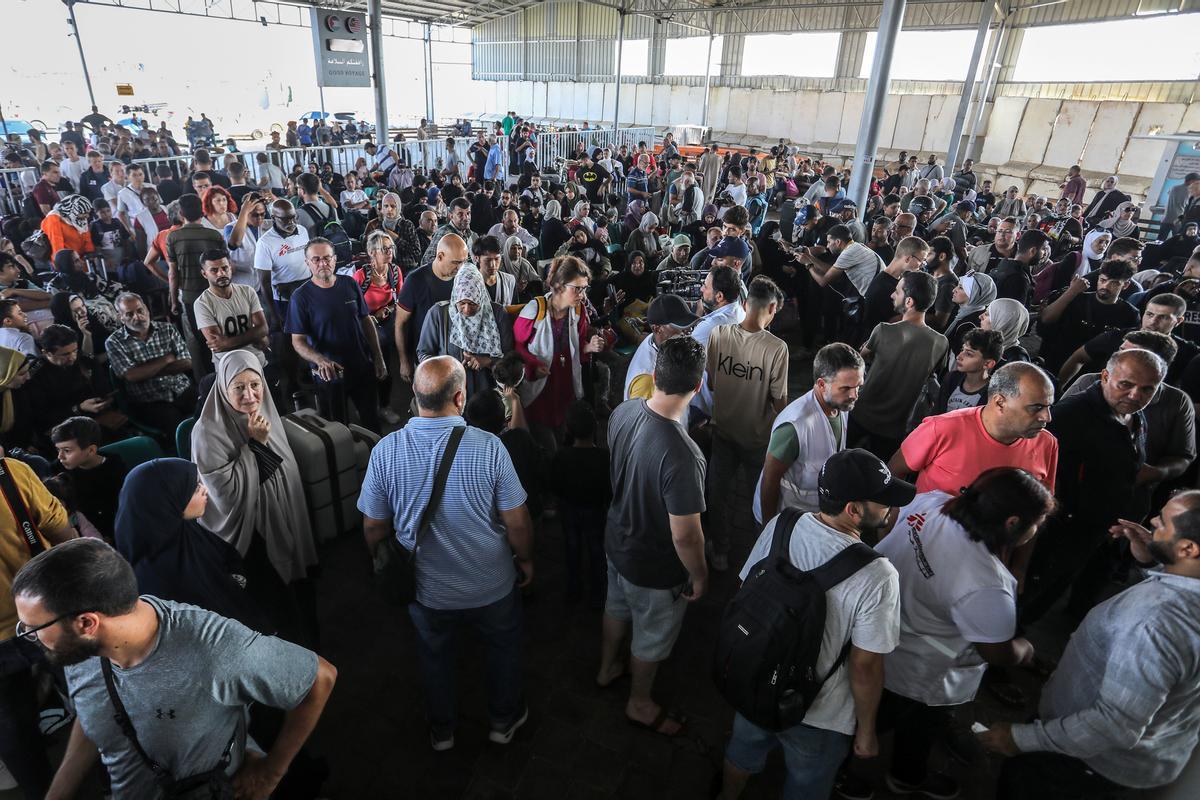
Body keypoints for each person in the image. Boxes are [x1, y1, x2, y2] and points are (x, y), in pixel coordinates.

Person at [12, 538, 336, 800]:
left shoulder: (213, 648)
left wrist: (271, 772)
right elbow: (97, 708)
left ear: (87, 623)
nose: (29, 637)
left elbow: (320, 677)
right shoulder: (78, 649)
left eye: (31, 627)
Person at [359, 356, 533, 750]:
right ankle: (502, 722)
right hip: (491, 584)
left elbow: (373, 526)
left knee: (434, 657)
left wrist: (380, 560)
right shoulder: (490, 447)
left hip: (427, 589)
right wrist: (525, 560)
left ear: (417, 397)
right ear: (460, 396)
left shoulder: (386, 451)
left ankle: (442, 730)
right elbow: (518, 522)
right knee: (502, 650)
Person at [982, 491, 1200, 799]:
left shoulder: (1154, 624)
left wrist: (1021, 739)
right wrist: (1154, 552)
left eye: (1162, 523)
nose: (1152, 522)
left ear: (1188, 548)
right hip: (1156, 749)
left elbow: (1113, 724)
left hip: (1082, 765)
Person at [718, 448, 910, 800]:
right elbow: (865, 666)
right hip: (820, 713)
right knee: (807, 785)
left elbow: (746, 589)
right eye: (882, 501)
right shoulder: (878, 575)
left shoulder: (783, 524)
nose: (890, 508)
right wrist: (866, 731)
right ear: (853, 510)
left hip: (757, 679)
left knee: (742, 752)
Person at [852, 468, 1054, 800]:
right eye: (1037, 524)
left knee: (864, 711)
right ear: (1013, 523)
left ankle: (851, 768)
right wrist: (1024, 650)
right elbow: (995, 652)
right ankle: (900, 777)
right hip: (916, 669)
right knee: (915, 724)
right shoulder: (987, 584)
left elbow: (894, 523)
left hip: (870, 628)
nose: (1036, 531)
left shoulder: (935, 502)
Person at [598, 336, 708, 736]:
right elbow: (686, 537)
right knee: (651, 634)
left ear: (655, 375)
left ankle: (608, 667)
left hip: (617, 540)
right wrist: (700, 575)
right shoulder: (683, 454)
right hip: (654, 563)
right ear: (697, 386)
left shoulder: (624, 412)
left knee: (615, 607)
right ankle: (639, 702)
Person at [1020, 348, 1165, 627]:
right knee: (1029, 596)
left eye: (1147, 389)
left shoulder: (1133, 415)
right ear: (1105, 376)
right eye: (1126, 384)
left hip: (1096, 531)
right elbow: (1038, 479)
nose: (1136, 395)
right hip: (1057, 533)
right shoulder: (1068, 418)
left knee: (1050, 596)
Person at [191, 350, 319, 644]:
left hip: (281, 511)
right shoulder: (208, 432)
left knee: (301, 598)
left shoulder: (265, 412)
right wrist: (256, 446)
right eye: (239, 387)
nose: (250, 395)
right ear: (224, 388)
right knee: (275, 604)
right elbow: (225, 495)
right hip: (251, 535)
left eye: (255, 385)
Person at [0, 453, 74, 800]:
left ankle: (43, 792)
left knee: (13, 728)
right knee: (92, 700)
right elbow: (64, 536)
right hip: (46, 615)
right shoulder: (11, 474)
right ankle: (112, 780)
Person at [705, 276, 790, 570]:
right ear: (773, 308)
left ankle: (720, 550)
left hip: (723, 430)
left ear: (744, 304)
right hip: (757, 438)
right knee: (760, 500)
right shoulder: (776, 348)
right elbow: (780, 402)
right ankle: (759, 556)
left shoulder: (719, 334)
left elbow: (713, 383)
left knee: (717, 494)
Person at [753, 343, 863, 525]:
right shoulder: (795, 426)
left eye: (858, 386)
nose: (855, 395)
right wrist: (769, 528)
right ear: (821, 384)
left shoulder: (840, 405)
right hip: (786, 519)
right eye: (845, 388)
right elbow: (769, 480)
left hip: (810, 517)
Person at [287, 239, 386, 432]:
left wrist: (378, 358)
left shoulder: (349, 284)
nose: (322, 263)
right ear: (307, 263)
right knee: (338, 428)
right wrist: (321, 360)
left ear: (335, 259)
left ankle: (377, 459)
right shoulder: (300, 298)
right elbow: (297, 341)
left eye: (326, 258)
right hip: (329, 375)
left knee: (372, 421)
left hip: (361, 366)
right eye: (316, 259)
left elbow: (366, 321)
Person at [850, 272, 949, 459]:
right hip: (896, 426)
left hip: (862, 414)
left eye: (897, 292)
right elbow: (932, 373)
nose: (892, 295)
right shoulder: (941, 343)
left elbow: (859, 361)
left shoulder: (883, 330)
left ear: (909, 301)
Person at [513, 256, 607, 451]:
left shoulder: (578, 311)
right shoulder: (535, 310)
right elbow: (518, 347)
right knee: (546, 447)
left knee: (563, 438)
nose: (582, 295)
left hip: (565, 387)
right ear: (559, 286)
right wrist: (532, 366)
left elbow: (578, 345)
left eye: (584, 289)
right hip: (539, 391)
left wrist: (589, 347)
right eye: (577, 288)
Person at [417, 263, 514, 400]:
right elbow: (424, 352)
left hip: (487, 395)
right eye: (461, 303)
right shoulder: (438, 314)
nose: (467, 309)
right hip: (448, 395)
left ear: (481, 296)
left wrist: (488, 362)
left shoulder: (497, 314)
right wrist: (446, 368)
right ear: (455, 296)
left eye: (473, 303)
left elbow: (510, 357)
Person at [105, 292, 196, 435]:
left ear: (147, 310)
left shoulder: (168, 329)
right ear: (121, 318)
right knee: (182, 431)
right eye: (129, 314)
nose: (137, 317)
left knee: (212, 415)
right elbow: (132, 376)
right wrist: (166, 359)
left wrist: (145, 371)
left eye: (140, 310)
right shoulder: (114, 342)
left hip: (181, 388)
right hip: (150, 401)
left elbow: (187, 363)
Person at [550, 401, 611, 605]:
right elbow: (610, 489)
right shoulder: (604, 458)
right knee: (597, 550)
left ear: (569, 429)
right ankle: (598, 594)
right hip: (596, 511)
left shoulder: (561, 456)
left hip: (569, 510)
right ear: (595, 429)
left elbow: (555, 485)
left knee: (572, 548)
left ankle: (573, 589)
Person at [1038, 261, 1139, 373]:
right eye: (1103, 280)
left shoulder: (1130, 314)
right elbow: (1046, 319)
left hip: (1095, 370)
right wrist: (1071, 291)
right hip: (1057, 362)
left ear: (1125, 285)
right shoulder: (1078, 299)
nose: (1106, 286)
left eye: (1114, 283)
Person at [395, 233, 468, 384]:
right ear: (440, 256)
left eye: (463, 262)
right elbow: (400, 323)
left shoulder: (463, 279)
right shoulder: (415, 280)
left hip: (457, 359)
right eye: (455, 262)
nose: (460, 268)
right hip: (426, 358)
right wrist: (403, 361)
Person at [50, 416, 127, 542]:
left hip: (116, 530)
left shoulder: (115, 468)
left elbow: (121, 507)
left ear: (91, 451)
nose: (60, 456)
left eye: (67, 451)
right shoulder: (57, 470)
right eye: (58, 450)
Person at [193, 249, 269, 372]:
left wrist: (228, 342)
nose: (221, 273)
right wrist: (255, 336)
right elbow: (218, 346)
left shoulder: (247, 291)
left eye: (225, 268)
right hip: (229, 367)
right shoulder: (202, 303)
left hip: (258, 361)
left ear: (231, 268)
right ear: (204, 274)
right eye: (214, 270)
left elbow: (263, 328)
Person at [933, 327, 1003, 414]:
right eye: (962, 350)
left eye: (969, 354)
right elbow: (936, 414)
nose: (959, 357)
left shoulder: (992, 395)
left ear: (988, 364)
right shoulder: (952, 378)